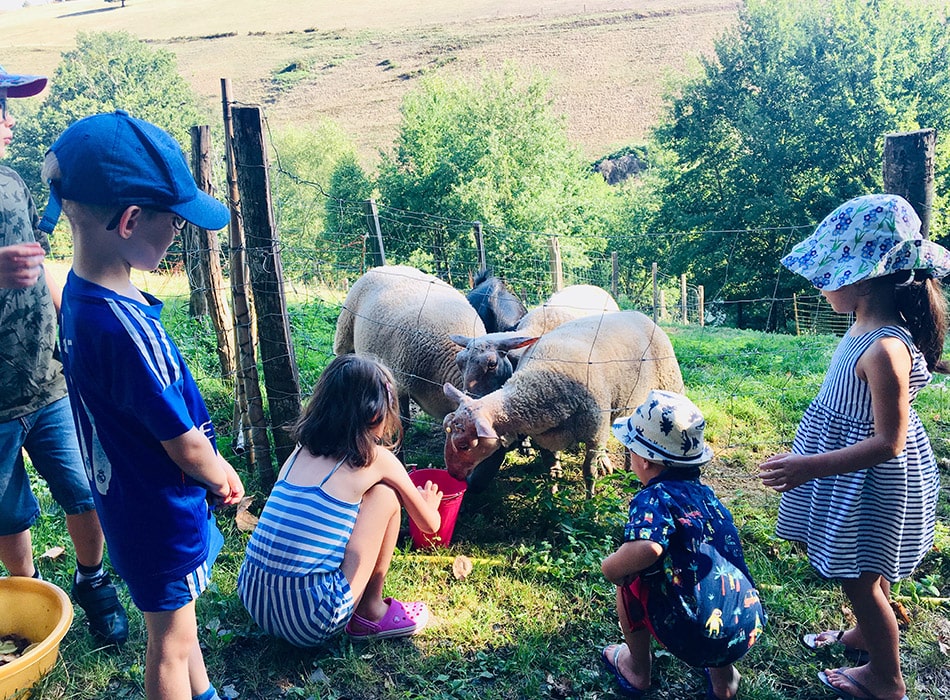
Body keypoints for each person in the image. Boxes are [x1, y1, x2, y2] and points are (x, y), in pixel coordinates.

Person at [40, 110, 245, 700]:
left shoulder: (82, 296)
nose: (181, 231)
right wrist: (221, 473)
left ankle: (201, 693)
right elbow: (181, 442)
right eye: (174, 220)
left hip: (126, 501)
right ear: (130, 220)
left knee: (177, 625)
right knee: (169, 647)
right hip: (162, 510)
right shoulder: (127, 331)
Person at [759, 193, 948, 700]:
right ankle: (866, 635)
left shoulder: (885, 347)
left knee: (860, 580)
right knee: (867, 567)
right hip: (854, 476)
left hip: (875, 480)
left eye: (827, 273)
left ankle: (885, 679)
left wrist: (808, 466)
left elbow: (889, 443)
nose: (820, 286)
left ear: (863, 277)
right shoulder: (864, 326)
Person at [0, 65, 128, 646]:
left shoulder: (12, 184)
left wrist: (73, 324)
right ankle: (27, 595)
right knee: (7, 509)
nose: (8, 120)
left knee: (84, 487)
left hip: (48, 378)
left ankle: (92, 580)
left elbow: (36, 267)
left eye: (8, 106)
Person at [237, 353, 443, 646]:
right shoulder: (378, 459)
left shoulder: (299, 452)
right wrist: (429, 502)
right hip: (311, 620)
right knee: (385, 497)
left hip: (254, 597)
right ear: (375, 414)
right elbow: (429, 524)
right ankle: (371, 611)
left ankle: (353, 605)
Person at [600, 389, 765, 700]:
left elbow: (648, 548)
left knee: (629, 582)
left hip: (692, 631)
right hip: (746, 622)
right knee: (714, 585)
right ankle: (724, 680)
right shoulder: (706, 496)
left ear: (645, 461)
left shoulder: (653, 498)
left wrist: (611, 567)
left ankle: (637, 669)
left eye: (630, 450)